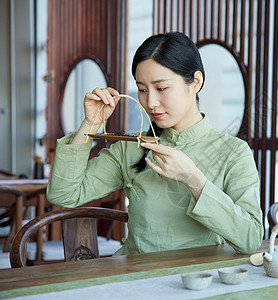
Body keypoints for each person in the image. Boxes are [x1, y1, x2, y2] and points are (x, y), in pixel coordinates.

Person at [47, 32, 263, 255]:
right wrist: (91, 123)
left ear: (195, 82)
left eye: (161, 89)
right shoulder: (131, 147)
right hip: (136, 279)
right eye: (142, 90)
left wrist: (194, 180)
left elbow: (250, 240)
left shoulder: (234, 153)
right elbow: (64, 194)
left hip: (200, 283)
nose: (150, 102)